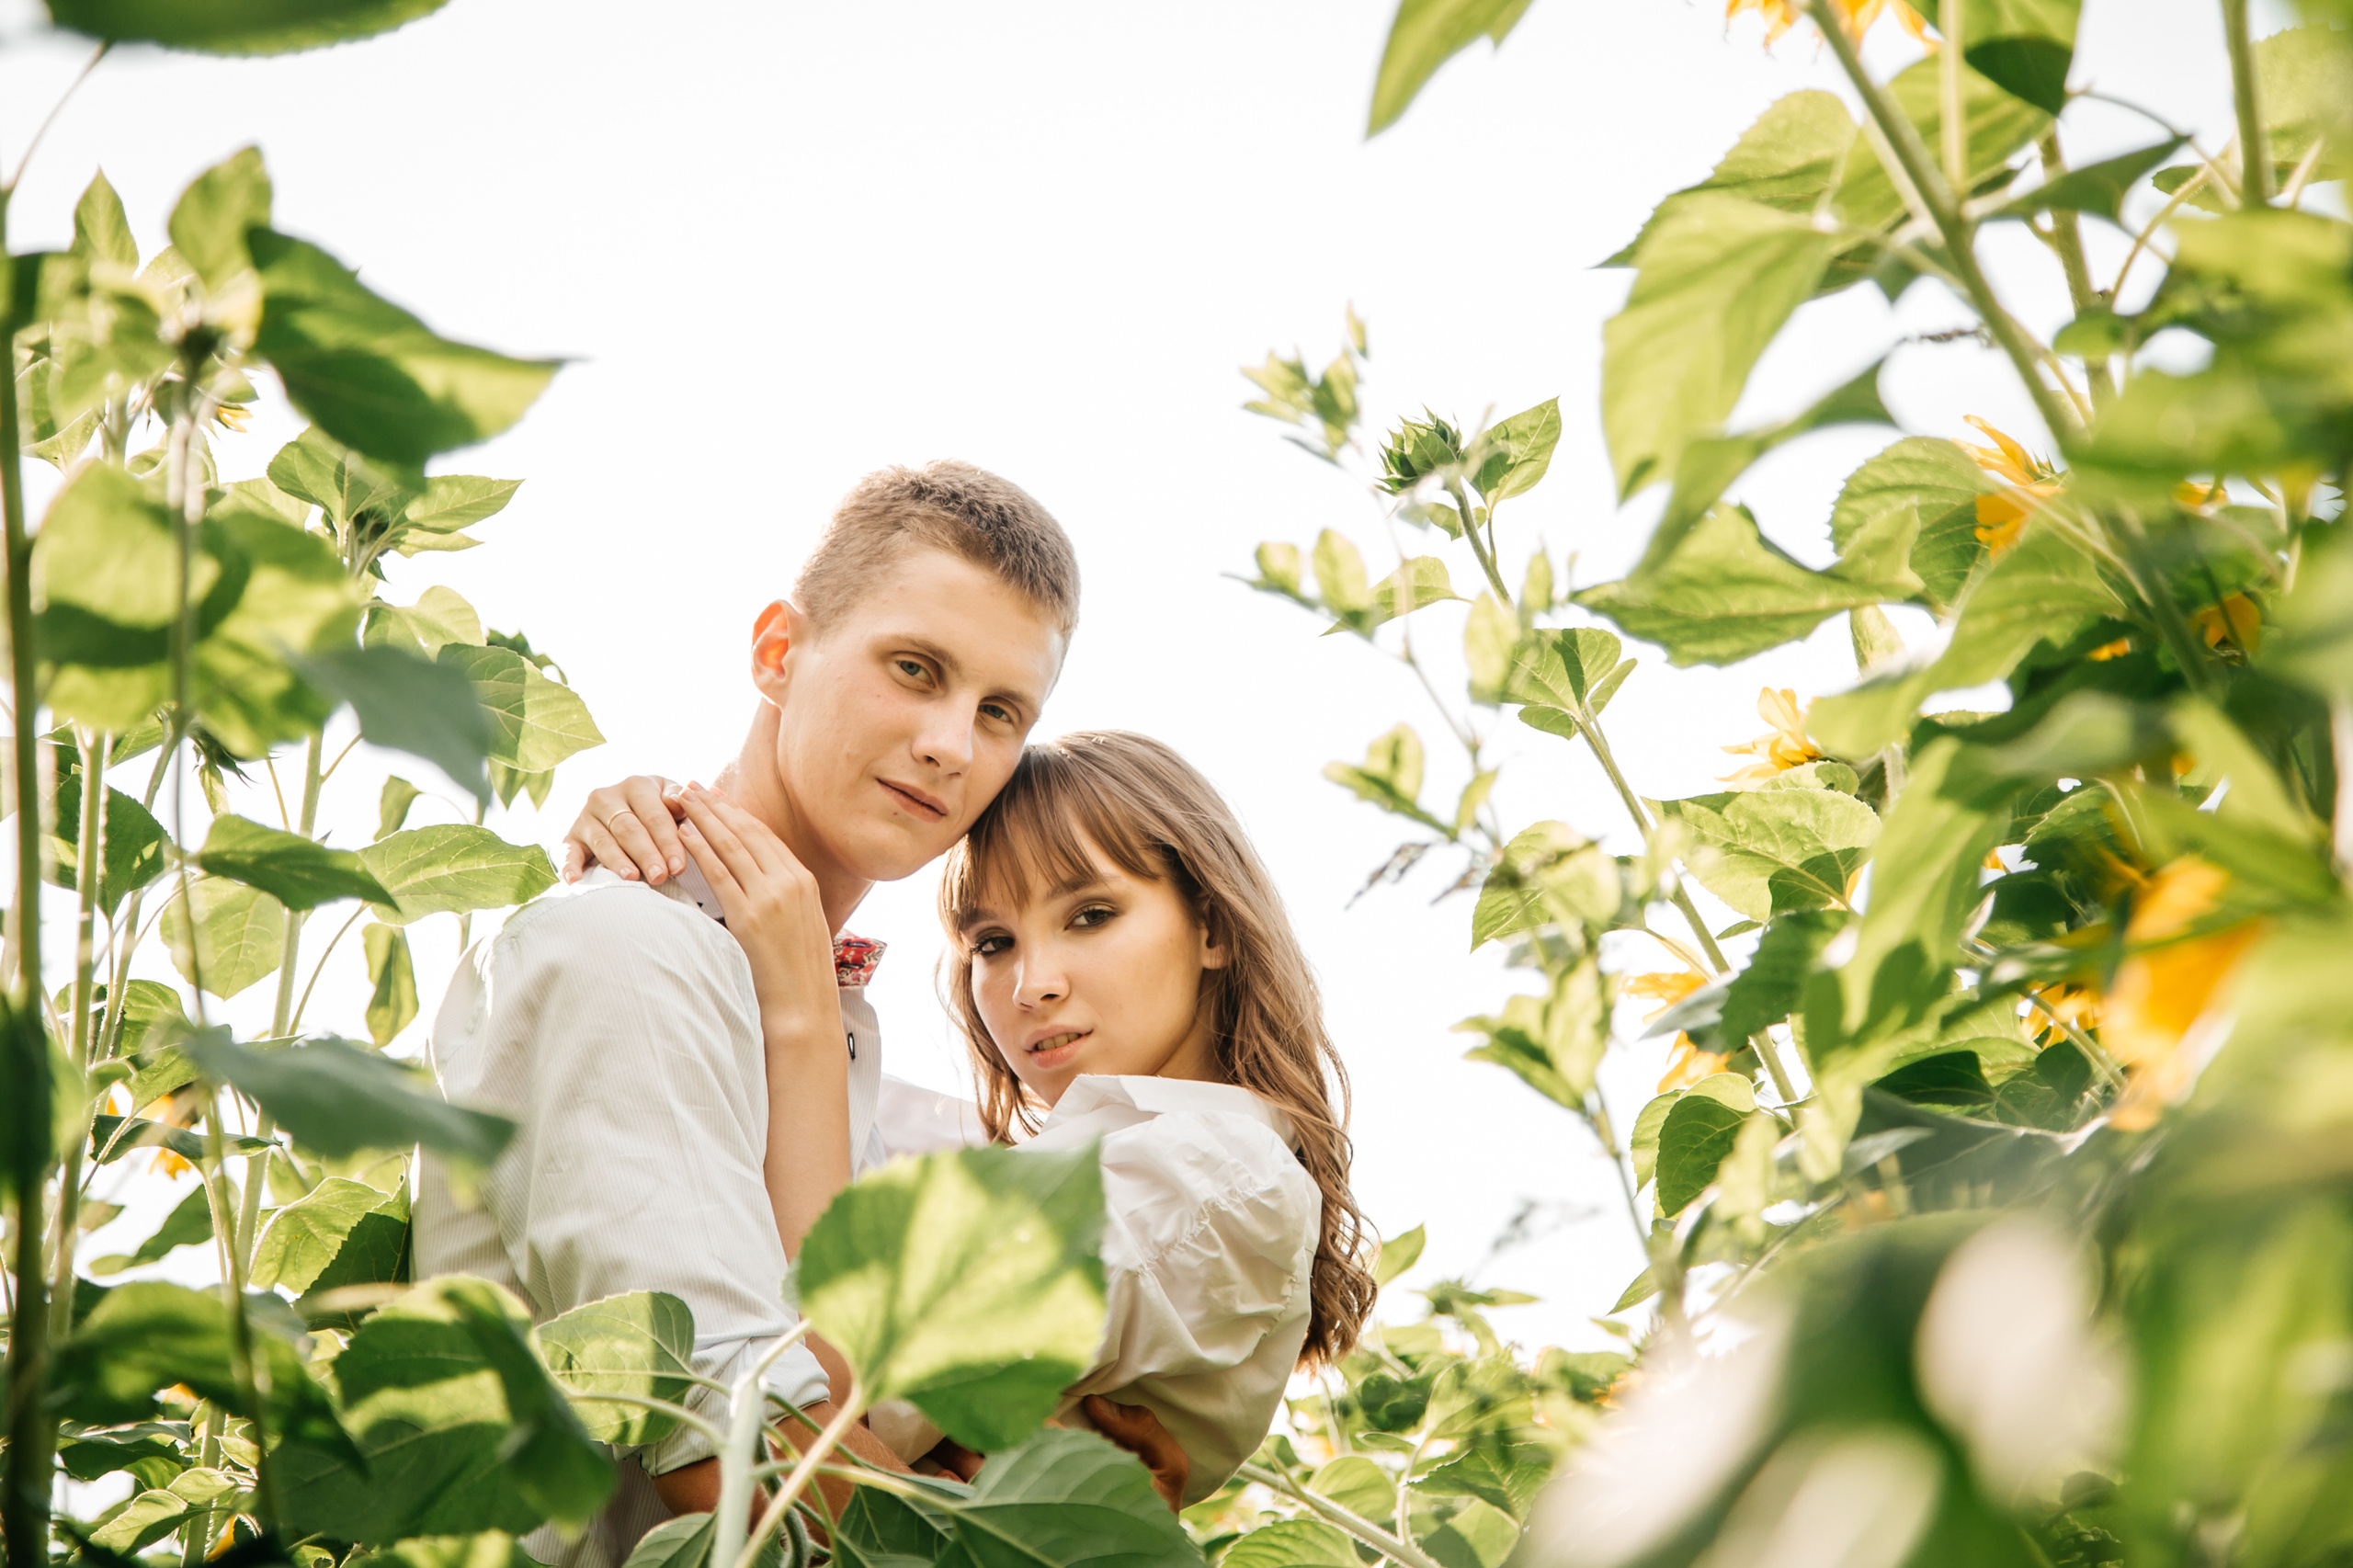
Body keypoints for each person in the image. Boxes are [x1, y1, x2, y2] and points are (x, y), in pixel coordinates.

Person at [412, 461, 1115, 1568]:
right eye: (913, 668)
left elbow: (836, 1401)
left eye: (998, 712)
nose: (950, 743)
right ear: (778, 652)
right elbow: (733, 1455)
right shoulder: (630, 948)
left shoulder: (825, 1016)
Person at [569, 730, 1377, 1506]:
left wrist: (804, 1009)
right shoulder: (1055, 1155)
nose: (1032, 985)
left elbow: (806, 1382)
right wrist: (653, 830)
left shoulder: (1210, 1171)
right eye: (992, 942)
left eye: (1091, 915)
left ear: (1211, 924)